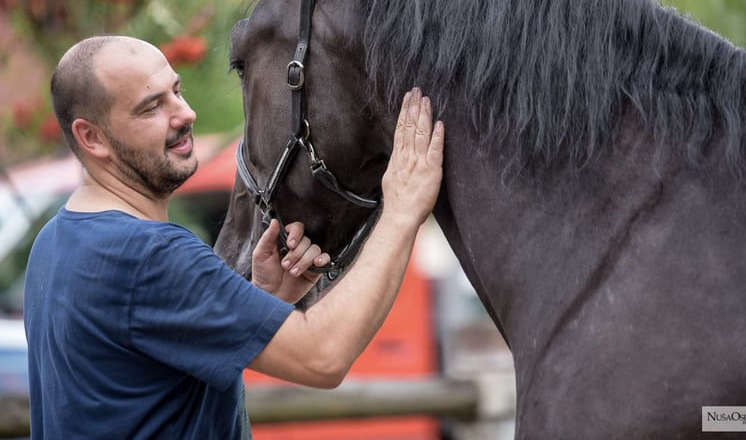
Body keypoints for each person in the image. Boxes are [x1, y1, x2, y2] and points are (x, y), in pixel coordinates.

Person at [23, 35, 445, 439]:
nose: (185, 114)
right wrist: (402, 209)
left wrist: (261, 302)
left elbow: (145, 389)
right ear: (92, 137)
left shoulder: (53, 243)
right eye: (151, 107)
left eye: (176, 91)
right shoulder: (148, 254)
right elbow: (323, 357)